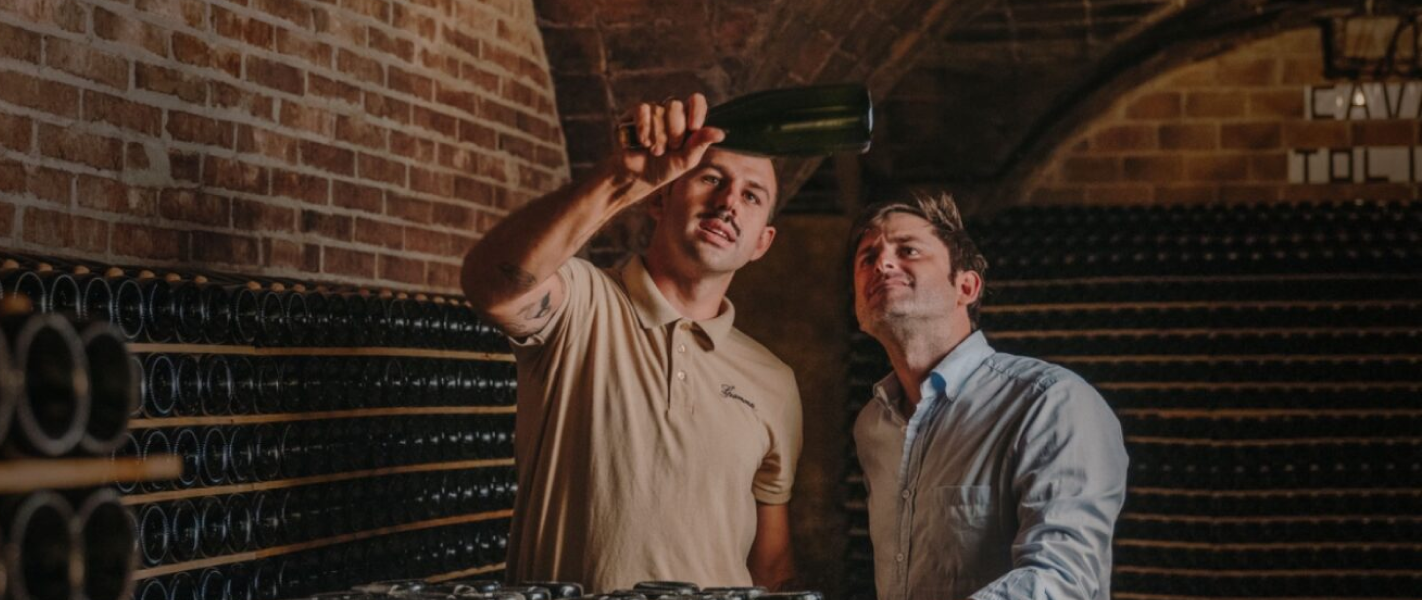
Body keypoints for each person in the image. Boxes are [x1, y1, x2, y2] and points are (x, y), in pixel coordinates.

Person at [460, 93, 802, 593]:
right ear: (658, 199)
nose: (729, 202)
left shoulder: (774, 382)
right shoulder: (581, 304)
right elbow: (491, 285)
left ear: (761, 243)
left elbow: (772, 567)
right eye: (711, 179)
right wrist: (620, 177)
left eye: (752, 196)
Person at [848, 190, 1128, 600]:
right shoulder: (873, 425)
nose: (882, 263)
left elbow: (1062, 581)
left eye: (908, 250)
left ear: (965, 286)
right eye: (868, 257)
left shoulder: (1050, 402)